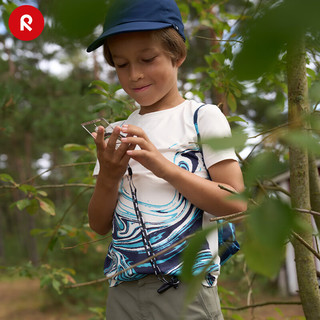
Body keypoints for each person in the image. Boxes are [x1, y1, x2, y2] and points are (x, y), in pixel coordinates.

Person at [86, 0, 246, 319]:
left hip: (186, 289)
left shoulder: (203, 117)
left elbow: (237, 204)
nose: (134, 74)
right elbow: (99, 225)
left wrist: (161, 166)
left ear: (178, 55)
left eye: (148, 59)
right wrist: (108, 176)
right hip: (123, 291)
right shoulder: (118, 133)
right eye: (121, 64)